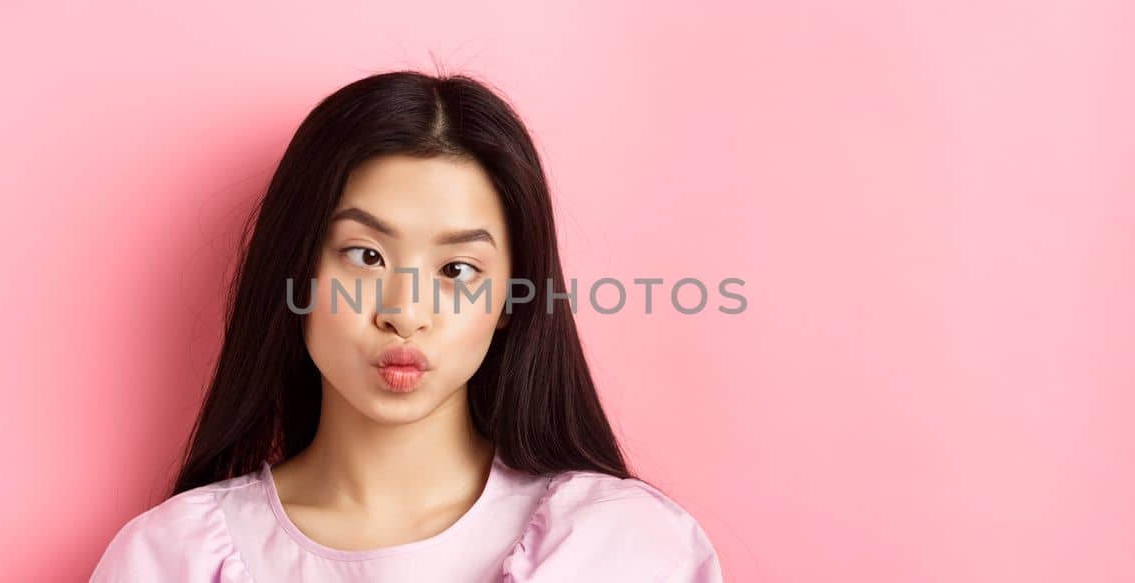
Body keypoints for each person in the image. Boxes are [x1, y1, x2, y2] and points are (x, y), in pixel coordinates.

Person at [89, 70, 723, 582]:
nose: (405, 312)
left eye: (457, 268)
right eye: (365, 256)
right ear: (297, 273)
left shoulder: (621, 550)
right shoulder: (172, 559)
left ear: (511, 298)